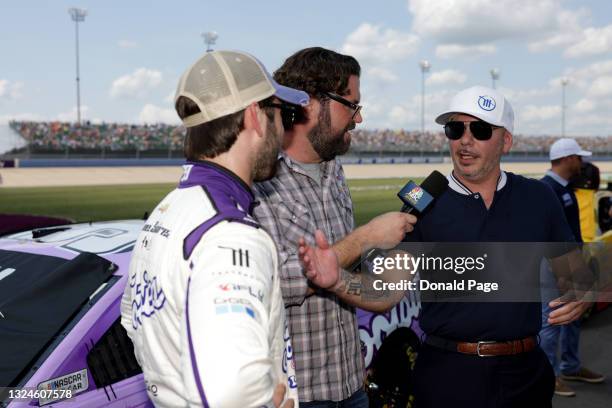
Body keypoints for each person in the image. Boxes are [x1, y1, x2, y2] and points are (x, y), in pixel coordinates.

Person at [300, 86, 592, 407]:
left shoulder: (539, 197)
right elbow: (387, 290)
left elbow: (574, 272)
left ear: (506, 141)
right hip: (448, 375)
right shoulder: (421, 202)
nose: (465, 140)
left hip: (525, 374)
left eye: (479, 130)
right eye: (455, 129)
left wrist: (583, 291)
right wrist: (337, 279)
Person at [120, 50, 310, 407]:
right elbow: (231, 391)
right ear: (255, 115)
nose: (285, 129)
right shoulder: (230, 233)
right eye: (281, 114)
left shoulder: (167, 210)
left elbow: (132, 319)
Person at [253, 47, 416, 407]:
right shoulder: (258, 179)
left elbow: (345, 273)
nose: (358, 119)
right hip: (297, 397)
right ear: (311, 103)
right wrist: (365, 238)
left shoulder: (333, 170)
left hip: (349, 384)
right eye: (352, 105)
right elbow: (264, 282)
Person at [539, 138, 605, 397]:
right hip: (555, 267)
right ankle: (549, 375)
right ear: (567, 159)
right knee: (552, 321)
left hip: (572, 263)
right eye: (578, 157)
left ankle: (570, 366)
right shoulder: (547, 189)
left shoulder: (563, 188)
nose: (582, 162)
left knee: (573, 318)